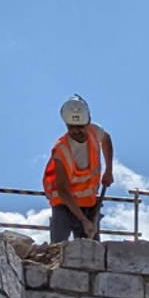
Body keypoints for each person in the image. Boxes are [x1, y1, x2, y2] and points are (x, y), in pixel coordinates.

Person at [44, 94, 115, 243]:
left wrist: (109, 170)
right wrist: (83, 220)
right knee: (58, 249)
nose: (77, 131)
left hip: (89, 204)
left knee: (91, 251)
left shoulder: (95, 132)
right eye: (72, 127)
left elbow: (106, 140)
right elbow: (63, 190)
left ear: (88, 122)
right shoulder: (62, 150)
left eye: (80, 127)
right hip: (64, 206)